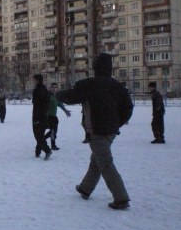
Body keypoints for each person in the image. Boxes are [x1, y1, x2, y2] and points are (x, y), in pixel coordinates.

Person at [56, 53, 133, 210]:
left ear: (95, 68)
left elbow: (71, 96)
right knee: (97, 160)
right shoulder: (118, 87)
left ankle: (121, 197)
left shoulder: (89, 84)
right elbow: (128, 108)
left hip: (97, 130)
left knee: (105, 163)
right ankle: (85, 188)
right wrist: (118, 123)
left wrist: (57, 95)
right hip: (111, 131)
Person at [44, 83, 71, 150]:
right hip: (48, 116)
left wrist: (65, 110)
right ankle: (45, 141)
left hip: (54, 116)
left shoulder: (56, 96)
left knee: (54, 132)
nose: (54, 88)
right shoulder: (47, 95)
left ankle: (44, 141)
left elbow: (60, 104)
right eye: (53, 87)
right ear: (50, 88)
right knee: (52, 131)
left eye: (55, 87)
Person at [32, 74, 52, 161]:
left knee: (38, 135)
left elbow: (37, 105)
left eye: (34, 80)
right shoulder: (45, 90)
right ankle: (38, 151)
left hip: (38, 116)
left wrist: (36, 118)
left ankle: (47, 150)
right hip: (44, 115)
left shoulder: (37, 90)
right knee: (40, 134)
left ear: (37, 80)